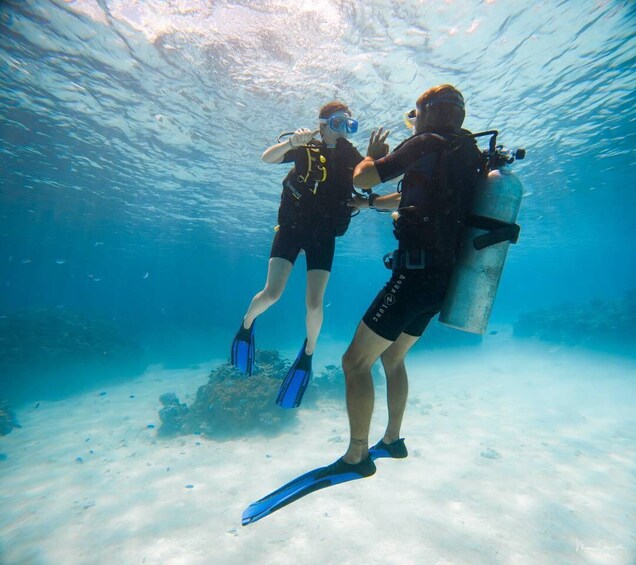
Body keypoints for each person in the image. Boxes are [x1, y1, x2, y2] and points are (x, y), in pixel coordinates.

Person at [336, 84, 484, 472]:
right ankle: (393, 439)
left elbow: (366, 177)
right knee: (393, 357)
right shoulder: (465, 152)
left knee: (354, 362)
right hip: (444, 281)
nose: (413, 124)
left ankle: (356, 456)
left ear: (428, 113)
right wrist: (369, 206)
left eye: (414, 116)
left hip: (413, 278)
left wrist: (371, 158)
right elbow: (412, 198)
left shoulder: (425, 143)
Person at [231, 101, 389, 409]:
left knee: (314, 303)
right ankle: (246, 324)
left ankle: (309, 351)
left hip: (323, 236)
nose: (344, 129)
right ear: (322, 124)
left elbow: (368, 180)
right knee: (272, 293)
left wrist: (374, 159)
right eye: (337, 122)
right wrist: (291, 142)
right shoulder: (306, 148)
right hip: (291, 229)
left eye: (348, 124)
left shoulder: (352, 157)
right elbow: (267, 158)